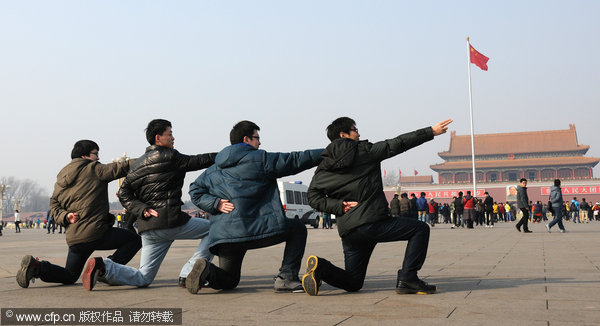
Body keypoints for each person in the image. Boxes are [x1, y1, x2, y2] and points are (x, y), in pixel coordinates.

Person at [301, 117, 452, 296]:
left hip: (350, 230)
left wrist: (339, 206)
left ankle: (321, 268)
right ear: (344, 135)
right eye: (354, 130)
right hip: (372, 223)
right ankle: (408, 278)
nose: (358, 133)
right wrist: (430, 132)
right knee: (420, 229)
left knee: (353, 281)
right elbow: (397, 143)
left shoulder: (323, 166)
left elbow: (313, 197)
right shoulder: (365, 151)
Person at [186, 120, 322, 294]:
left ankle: (208, 271)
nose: (259, 142)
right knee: (297, 229)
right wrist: (327, 153)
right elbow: (296, 160)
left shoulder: (213, 169)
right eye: (257, 138)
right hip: (256, 228)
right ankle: (286, 278)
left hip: (226, 236)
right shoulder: (261, 159)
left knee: (230, 279)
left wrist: (215, 204)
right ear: (246, 139)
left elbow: (194, 190)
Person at [82, 119, 217, 291]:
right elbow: (199, 160)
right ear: (158, 137)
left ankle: (105, 268)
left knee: (144, 277)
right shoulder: (170, 156)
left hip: (148, 227)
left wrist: (142, 209)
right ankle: (189, 273)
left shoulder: (138, 163)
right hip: (170, 222)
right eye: (170, 134)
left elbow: (123, 193)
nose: (173, 138)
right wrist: (225, 155)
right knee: (215, 229)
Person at [16, 140, 141, 288]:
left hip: (75, 238)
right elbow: (122, 167)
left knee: (70, 275)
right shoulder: (93, 169)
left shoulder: (62, 177)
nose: (98, 158)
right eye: (95, 154)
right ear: (84, 156)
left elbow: (54, 206)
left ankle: (37, 267)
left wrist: (66, 216)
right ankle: (103, 268)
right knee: (134, 240)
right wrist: (151, 158)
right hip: (96, 233)